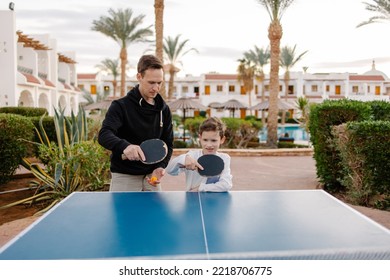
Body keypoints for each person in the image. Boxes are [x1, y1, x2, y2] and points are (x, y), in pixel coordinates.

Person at [98, 55, 173, 191]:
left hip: (152, 177)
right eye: (151, 82)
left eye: (159, 83)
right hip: (124, 177)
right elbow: (104, 134)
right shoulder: (120, 106)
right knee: (124, 214)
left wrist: (161, 166)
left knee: (155, 213)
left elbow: (168, 143)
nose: (156, 88)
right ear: (139, 77)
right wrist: (125, 146)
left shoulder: (164, 110)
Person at [165, 117, 232, 192]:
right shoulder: (192, 155)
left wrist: (201, 188)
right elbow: (169, 170)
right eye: (205, 140)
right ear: (200, 138)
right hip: (192, 200)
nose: (209, 145)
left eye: (213, 140)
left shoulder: (225, 158)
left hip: (215, 202)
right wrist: (183, 159)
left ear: (222, 140)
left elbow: (226, 184)